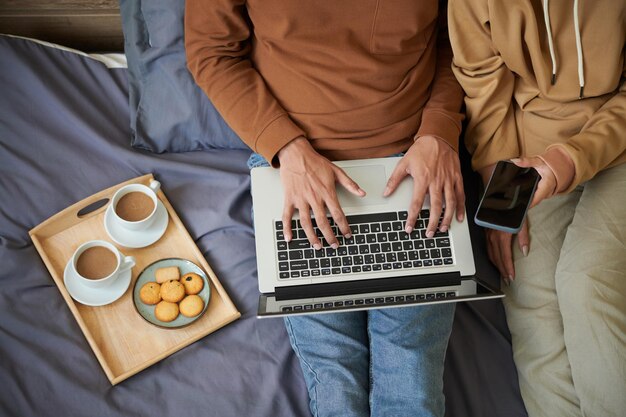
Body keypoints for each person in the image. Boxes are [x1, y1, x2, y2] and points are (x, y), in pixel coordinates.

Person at [186, 1, 464, 415]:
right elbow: (211, 50)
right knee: (336, 379)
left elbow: (458, 38)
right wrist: (285, 147)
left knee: (412, 377)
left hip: (410, 158)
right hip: (295, 165)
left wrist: (439, 130)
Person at [448, 1, 626, 416]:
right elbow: (484, 93)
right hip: (529, 160)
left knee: (587, 283)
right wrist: (502, 201)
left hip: (618, 147)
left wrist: (569, 159)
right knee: (534, 308)